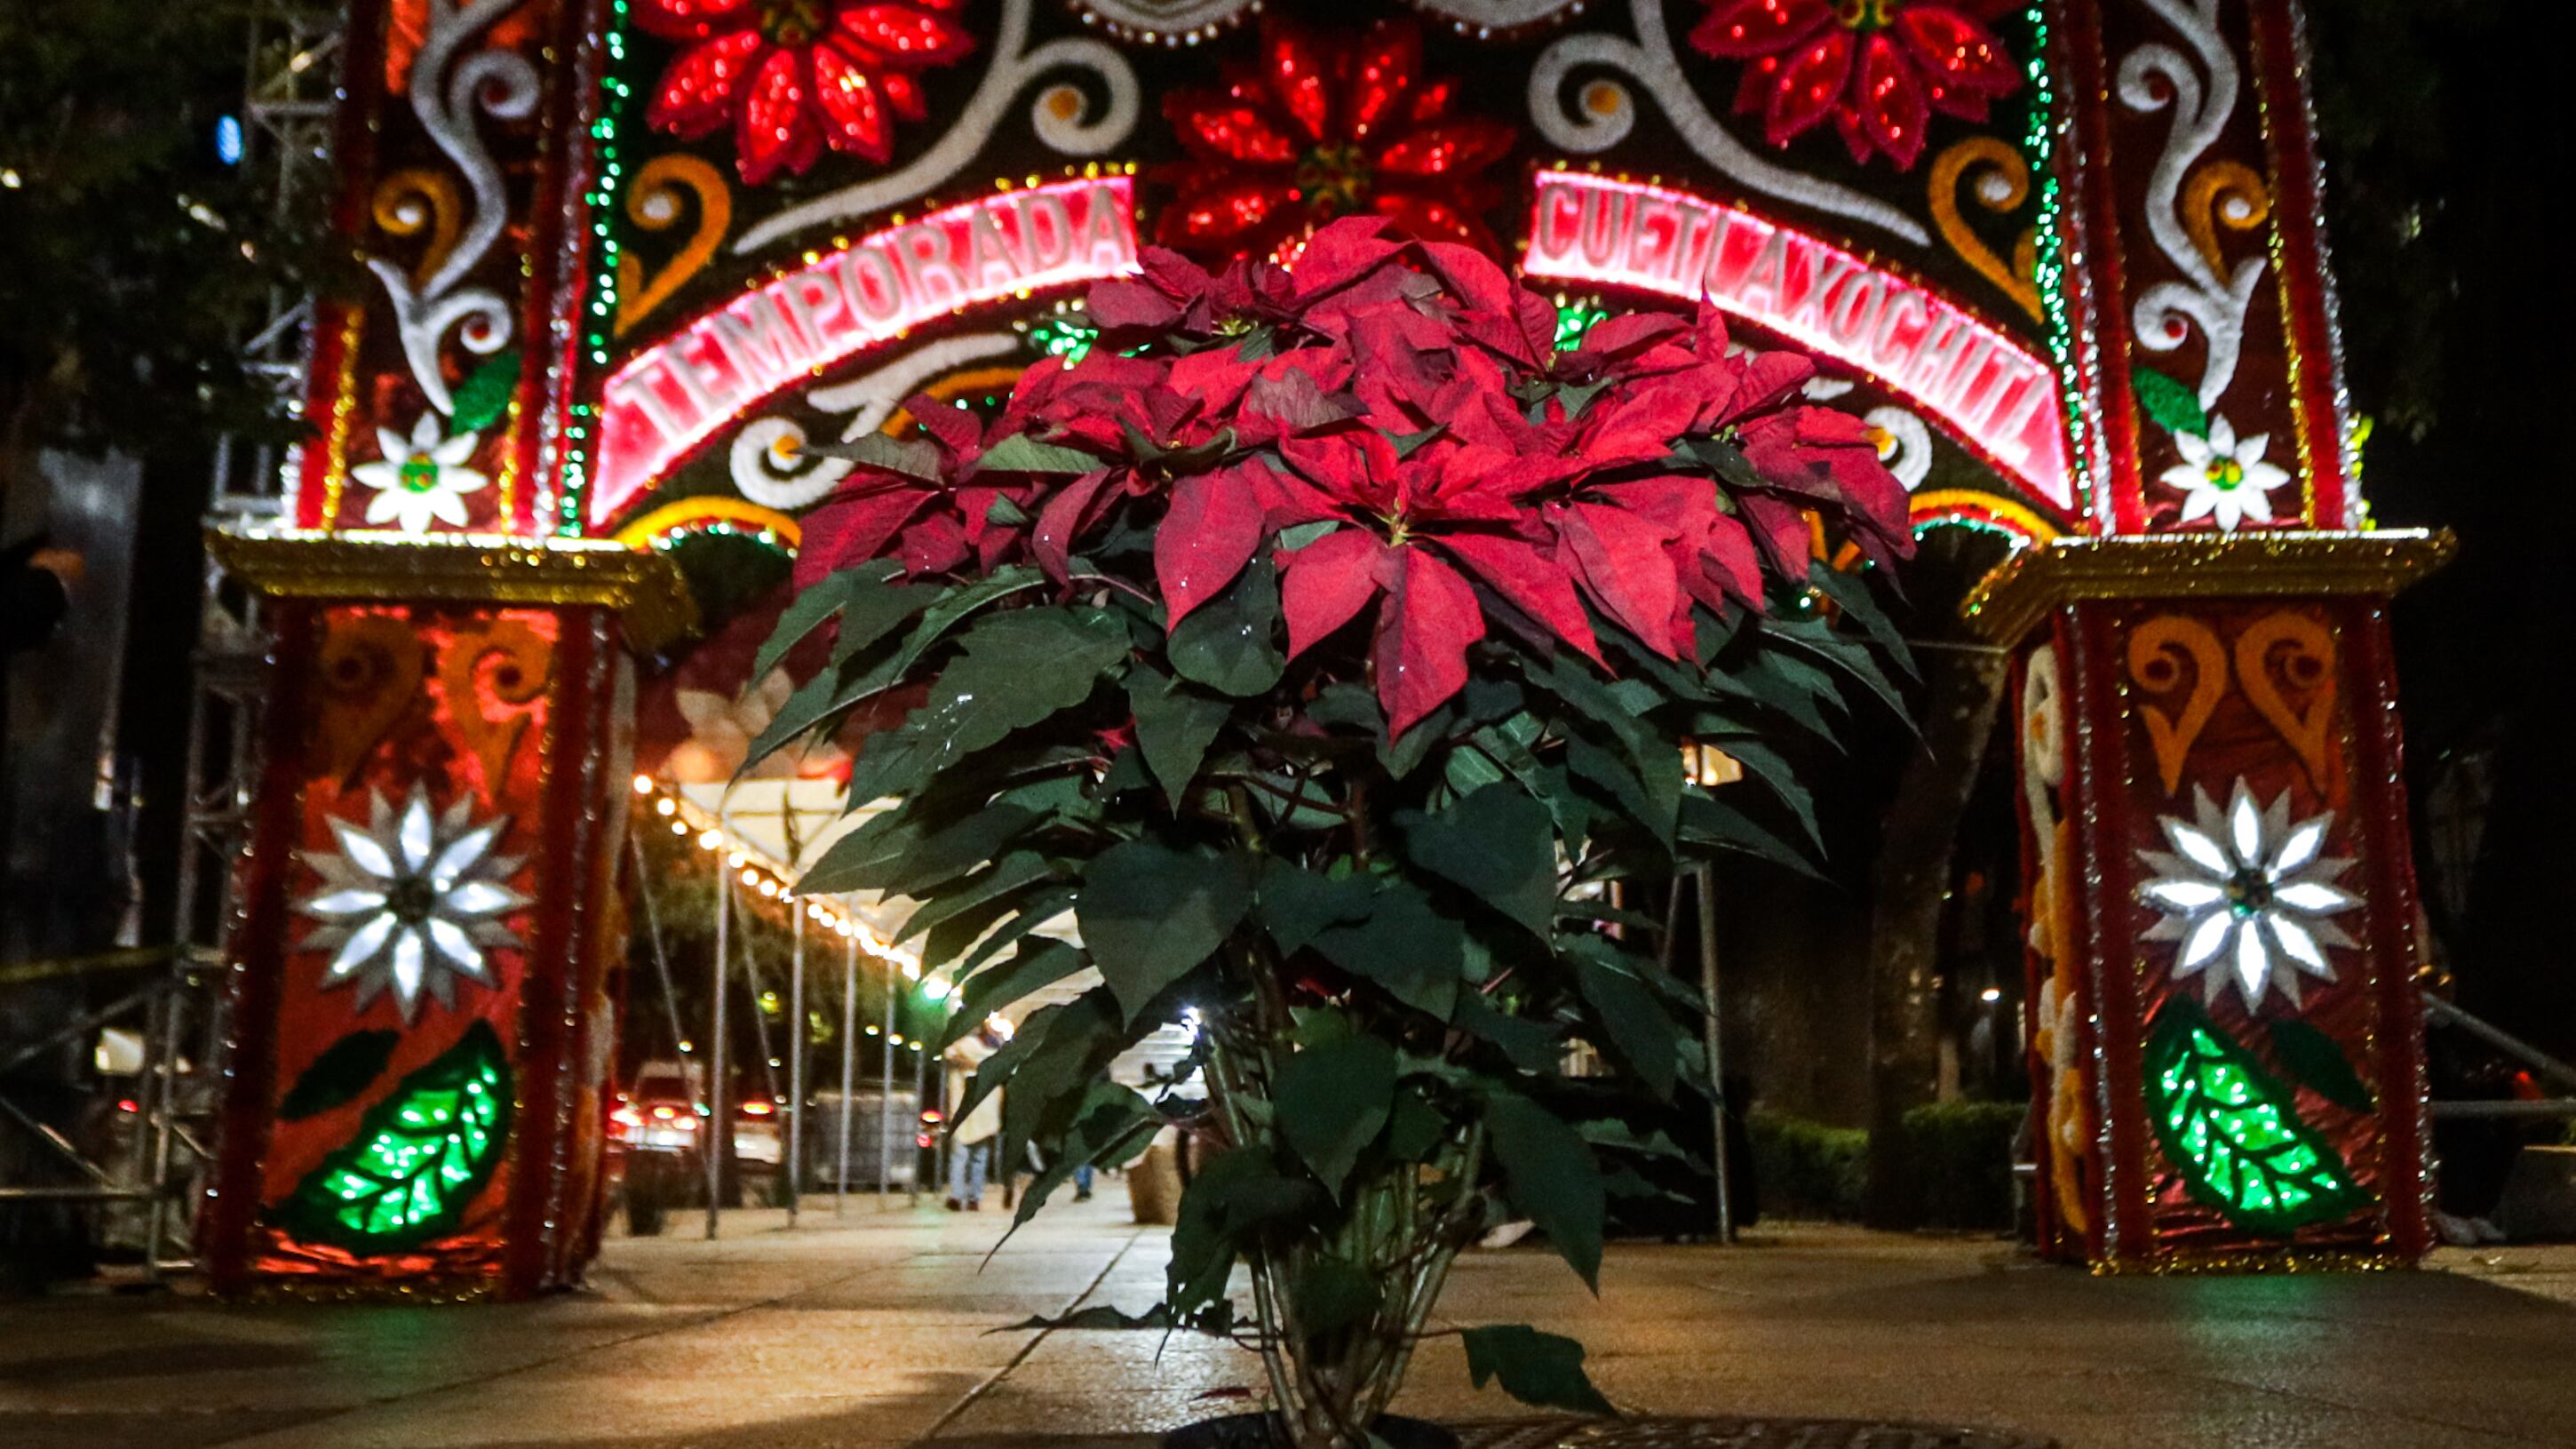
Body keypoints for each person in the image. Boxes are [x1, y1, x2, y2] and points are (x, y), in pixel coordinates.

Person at [942, 1025, 1003, 1210]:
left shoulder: (958, 1049)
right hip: (985, 1114)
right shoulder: (992, 1054)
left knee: (959, 1157)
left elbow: (948, 1054)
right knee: (979, 1157)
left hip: (963, 1114)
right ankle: (975, 1198)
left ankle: (956, 1195)